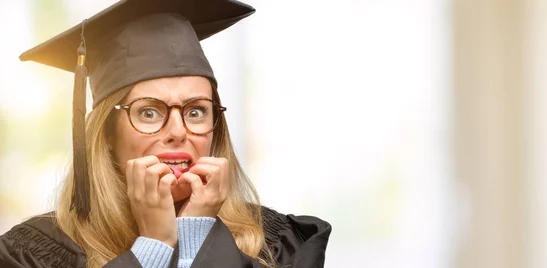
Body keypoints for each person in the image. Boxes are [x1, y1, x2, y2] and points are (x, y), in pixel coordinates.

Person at [0, 0, 331, 267]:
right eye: (149, 112)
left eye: (196, 111)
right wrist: (153, 249)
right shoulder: (30, 254)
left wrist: (195, 237)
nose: (177, 131)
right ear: (108, 136)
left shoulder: (280, 246)